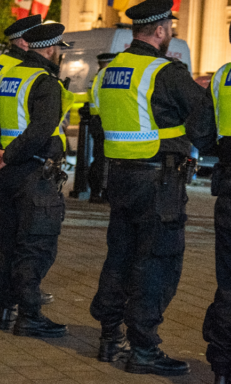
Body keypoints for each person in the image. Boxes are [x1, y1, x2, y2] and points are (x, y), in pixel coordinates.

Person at [89, 0, 216, 376]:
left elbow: (98, 124)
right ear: (160, 31)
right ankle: (144, 349)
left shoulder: (110, 71)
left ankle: (110, 337)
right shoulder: (165, 72)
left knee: (120, 257)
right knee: (157, 262)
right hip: (158, 182)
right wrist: (208, 147)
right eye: (169, 28)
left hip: (119, 178)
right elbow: (203, 118)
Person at [0, 22, 74, 338]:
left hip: (6, 174)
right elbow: (40, 131)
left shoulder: (9, 76)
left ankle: (6, 308)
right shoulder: (45, 83)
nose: (59, 55)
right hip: (31, 173)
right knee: (35, 245)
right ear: (50, 49)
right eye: (59, 49)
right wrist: (8, 154)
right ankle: (29, 315)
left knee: (8, 239)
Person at [0, 15, 53, 312]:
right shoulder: (15, 69)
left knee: (5, 229)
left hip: (0, 155)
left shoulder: (0, 66)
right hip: (15, 160)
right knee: (21, 234)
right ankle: (13, 297)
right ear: (23, 40)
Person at [202, 24, 231, 384]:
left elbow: (203, 131)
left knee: (228, 281)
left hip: (229, 187)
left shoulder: (222, 76)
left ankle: (222, 367)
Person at [87, 53, 116, 204]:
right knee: (104, 160)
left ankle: (96, 192)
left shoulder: (96, 77)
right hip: (104, 121)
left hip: (97, 121)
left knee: (99, 158)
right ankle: (101, 192)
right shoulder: (106, 77)